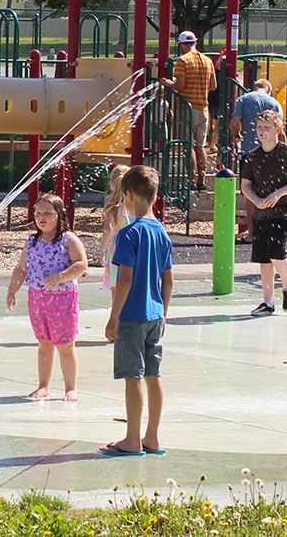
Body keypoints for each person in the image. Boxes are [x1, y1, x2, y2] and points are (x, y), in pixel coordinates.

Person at [101, 165, 174, 456]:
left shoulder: (129, 234)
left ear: (128, 195)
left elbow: (125, 278)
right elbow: (168, 281)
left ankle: (132, 439)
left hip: (132, 315)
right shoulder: (162, 233)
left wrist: (113, 316)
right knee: (153, 374)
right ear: (155, 197)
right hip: (156, 314)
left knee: (133, 375)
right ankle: (152, 437)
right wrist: (164, 313)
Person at [6, 193, 88, 401]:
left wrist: (61, 276)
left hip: (63, 298)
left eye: (48, 213)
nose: (41, 217)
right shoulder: (32, 241)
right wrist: (12, 290)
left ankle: (71, 387)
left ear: (59, 216)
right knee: (44, 343)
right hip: (37, 298)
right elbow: (21, 268)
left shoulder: (69, 239)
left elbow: (81, 264)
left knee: (65, 344)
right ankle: (44, 385)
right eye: (38, 213)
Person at [239, 110, 287, 315]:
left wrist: (278, 193)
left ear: (278, 129)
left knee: (277, 251)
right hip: (261, 213)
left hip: (283, 210)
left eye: (266, 127)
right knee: (264, 258)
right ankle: (268, 302)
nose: (261, 131)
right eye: (259, 127)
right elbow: (246, 186)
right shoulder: (253, 156)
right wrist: (256, 201)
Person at [162, 31, 217, 189]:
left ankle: (191, 181)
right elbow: (213, 86)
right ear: (195, 42)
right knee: (200, 146)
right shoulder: (208, 61)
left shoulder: (182, 61)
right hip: (204, 109)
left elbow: (179, 86)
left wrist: (168, 83)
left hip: (187, 108)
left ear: (181, 44)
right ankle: (202, 180)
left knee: (188, 146)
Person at [231, 79, 283, 241]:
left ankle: (252, 233)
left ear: (254, 88)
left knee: (249, 192)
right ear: (269, 90)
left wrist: (236, 135)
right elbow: (281, 131)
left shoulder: (244, 99)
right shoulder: (274, 102)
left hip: (249, 152)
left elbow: (234, 122)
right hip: (270, 152)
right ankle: (271, 231)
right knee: (272, 190)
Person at [99, 165, 129, 290]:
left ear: (111, 183)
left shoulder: (114, 208)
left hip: (117, 246)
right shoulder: (134, 205)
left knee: (115, 283)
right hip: (132, 243)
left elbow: (108, 229)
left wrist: (102, 250)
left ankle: (117, 309)